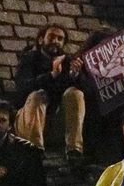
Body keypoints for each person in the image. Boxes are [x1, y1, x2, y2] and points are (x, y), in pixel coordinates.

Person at [13, 22, 89, 163]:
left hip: (55, 125)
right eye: (51, 37)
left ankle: (74, 150)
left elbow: (85, 95)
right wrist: (52, 75)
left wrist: (75, 76)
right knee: (38, 95)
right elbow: (23, 88)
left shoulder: (67, 63)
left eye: (60, 39)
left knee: (75, 93)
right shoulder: (29, 59)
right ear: (41, 39)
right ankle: (34, 151)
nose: (55, 41)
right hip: (28, 123)